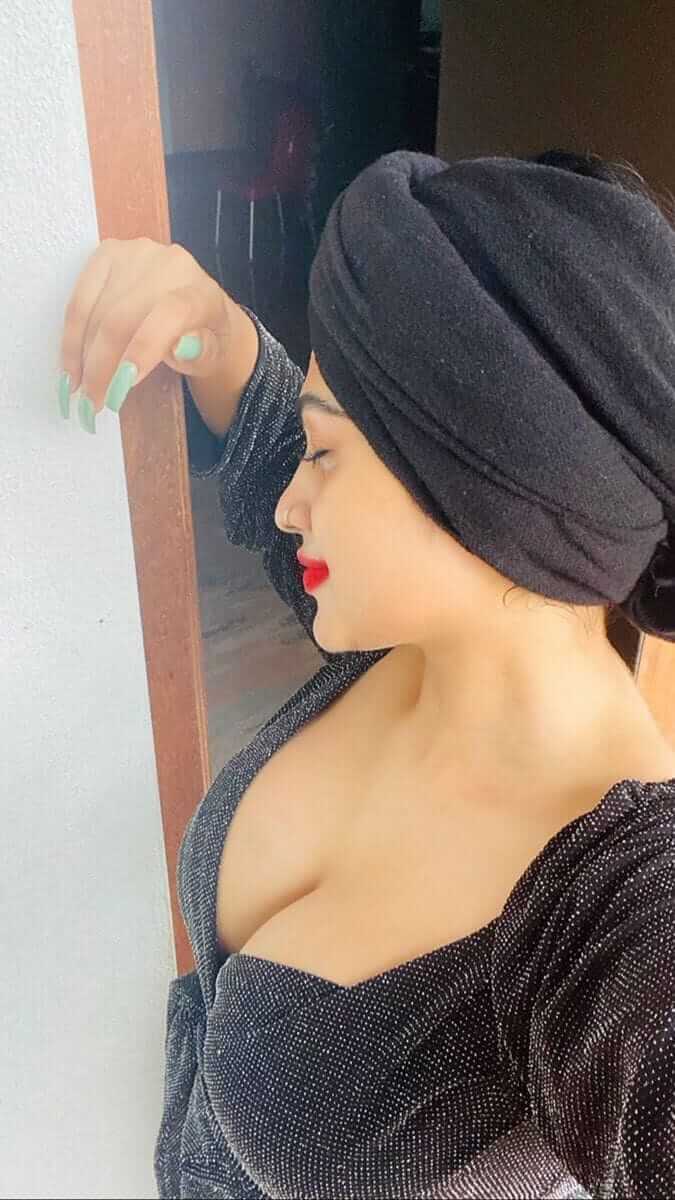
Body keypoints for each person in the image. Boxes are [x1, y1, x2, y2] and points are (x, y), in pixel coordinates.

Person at [58, 147, 675, 1198]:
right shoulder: (418, 636)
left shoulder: (613, 911)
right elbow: (269, 456)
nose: (291, 499)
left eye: (325, 452)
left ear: (486, 492)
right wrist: (209, 328)